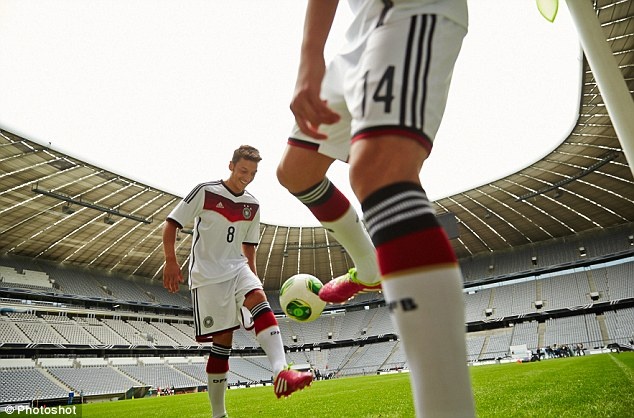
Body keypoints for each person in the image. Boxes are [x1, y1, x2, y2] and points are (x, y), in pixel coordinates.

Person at [276, 0, 475, 416]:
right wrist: (310, 55)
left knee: (381, 171)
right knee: (296, 172)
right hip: (359, 34)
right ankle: (369, 267)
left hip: (412, 9)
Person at [163, 145, 312, 418]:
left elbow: (249, 246)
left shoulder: (252, 205)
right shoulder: (205, 191)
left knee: (259, 298)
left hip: (237, 267)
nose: (247, 177)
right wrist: (171, 261)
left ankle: (281, 370)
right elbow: (172, 223)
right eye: (243, 170)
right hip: (208, 277)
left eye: (253, 173)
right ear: (231, 165)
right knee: (223, 343)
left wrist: (253, 277)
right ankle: (218, 414)